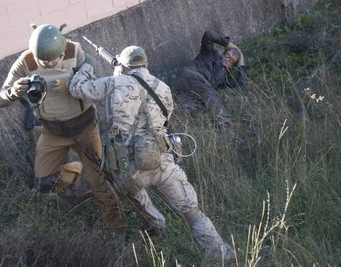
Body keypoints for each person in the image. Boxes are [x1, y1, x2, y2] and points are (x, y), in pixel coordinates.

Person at [69, 45, 235, 262]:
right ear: (147, 64)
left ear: (125, 66)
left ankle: (157, 225)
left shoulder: (113, 83)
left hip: (128, 170)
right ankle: (222, 255)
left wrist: (87, 67)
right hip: (162, 163)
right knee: (192, 212)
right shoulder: (164, 88)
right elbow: (164, 121)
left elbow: (77, 89)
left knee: (138, 198)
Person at [0, 23, 126, 233]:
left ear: (62, 50)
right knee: (43, 184)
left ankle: (117, 228)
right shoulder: (26, 61)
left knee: (99, 183)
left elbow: (91, 77)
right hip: (52, 131)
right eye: (43, 61)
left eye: (54, 59)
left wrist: (73, 82)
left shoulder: (75, 50)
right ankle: (74, 171)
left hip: (84, 127)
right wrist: (13, 92)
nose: (49, 63)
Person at [175, 30, 248, 129]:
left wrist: (241, 62)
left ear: (232, 66)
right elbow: (208, 35)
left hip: (187, 91)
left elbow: (241, 83)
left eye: (231, 60)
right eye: (227, 56)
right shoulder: (210, 54)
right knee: (210, 92)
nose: (227, 60)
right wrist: (228, 44)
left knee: (188, 112)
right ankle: (226, 123)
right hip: (191, 75)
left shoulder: (225, 79)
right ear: (223, 54)